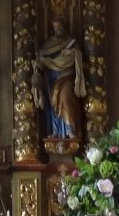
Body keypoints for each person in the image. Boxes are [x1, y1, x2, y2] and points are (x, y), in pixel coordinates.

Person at [35, 13, 87, 141]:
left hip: (68, 76)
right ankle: (56, 130)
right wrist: (42, 63)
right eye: (55, 27)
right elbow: (42, 58)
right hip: (53, 78)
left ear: (64, 27)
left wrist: (71, 53)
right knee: (52, 101)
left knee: (66, 97)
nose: (58, 30)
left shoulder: (71, 41)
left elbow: (78, 57)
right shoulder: (50, 43)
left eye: (60, 27)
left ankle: (70, 129)